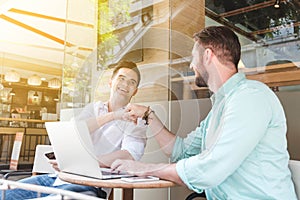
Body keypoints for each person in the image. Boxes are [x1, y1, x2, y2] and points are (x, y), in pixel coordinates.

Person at [111, 26, 297, 199]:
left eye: (193, 57)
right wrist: (149, 116)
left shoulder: (251, 98)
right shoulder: (221, 106)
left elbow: (211, 168)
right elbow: (181, 152)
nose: (192, 65)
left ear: (208, 55)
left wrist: (145, 169)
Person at [1, 60, 147, 199]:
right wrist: (114, 116)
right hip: (57, 178)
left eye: (131, 82)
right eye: (121, 78)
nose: (125, 84)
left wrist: (88, 162)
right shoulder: (94, 108)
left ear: (135, 91)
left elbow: (130, 154)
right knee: (4, 193)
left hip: (91, 185)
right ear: (111, 82)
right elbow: (74, 130)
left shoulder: (137, 119)